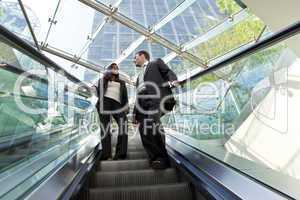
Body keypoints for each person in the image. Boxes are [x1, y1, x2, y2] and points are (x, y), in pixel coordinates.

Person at [133, 50, 178, 169]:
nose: (134, 60)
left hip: (156, 97)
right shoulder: (138, 77)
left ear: (142, 56)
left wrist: (173, 80)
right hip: (142, 103)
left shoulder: (155, 63)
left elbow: (167, 71)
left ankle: (162, 159)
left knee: (152, 123)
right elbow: (137, 94)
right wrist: (135, 113)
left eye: (135, 57)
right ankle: (153, 158)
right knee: (143, 130)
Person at [96, 63, 129, 160]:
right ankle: (107, 155)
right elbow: (98, 92)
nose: (116, 69)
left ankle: (120, 154)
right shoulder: (102, 80)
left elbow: (125, 97)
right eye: (114, 68)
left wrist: (126, 107)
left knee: (124, 125)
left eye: (117, 68)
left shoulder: (122, 82)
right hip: (104, 103)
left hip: (117, 104)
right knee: (105, 128)